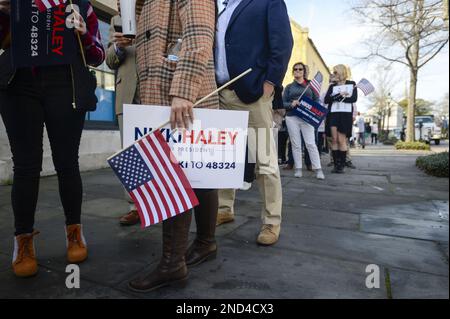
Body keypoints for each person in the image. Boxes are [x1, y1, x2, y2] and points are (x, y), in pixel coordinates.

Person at [0, 0, 105, 278]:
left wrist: (82, 33)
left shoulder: (80, 4)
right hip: (19, 83)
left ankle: (74, 232)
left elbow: (97, 55)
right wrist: (4, 14)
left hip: (65, 83)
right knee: (25, 166)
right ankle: (22, 241)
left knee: (67, 162)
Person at [128, 0, 219, 292]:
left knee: (175, 176)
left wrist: (183, 91)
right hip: (163, 94)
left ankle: (172, 264)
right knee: (194, 173)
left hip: (179, 97)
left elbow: (199, 32)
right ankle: (203, 244)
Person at [215, 0, 293, 247]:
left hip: (251, 93)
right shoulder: (222, 9)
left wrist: (269, 84)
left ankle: (272, 221)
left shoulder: (268, 2)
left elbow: (282, 44)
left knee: (264, 160)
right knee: (225, 156)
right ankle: (224, 208)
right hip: (219, 93)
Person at [106, 2, 142, 226]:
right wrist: (119, 47)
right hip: (126, 95)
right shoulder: (114, 21)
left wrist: (136, 40)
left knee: (159, 152)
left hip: (153, 91)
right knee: (130, 156)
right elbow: (110, 60)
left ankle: (161, 201)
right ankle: (134, 206)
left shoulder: (153, 15)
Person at [283, 62, 325, 180]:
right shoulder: (289, 87)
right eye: (295, 69)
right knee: (296, 144)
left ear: (304, 71)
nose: (297, 71)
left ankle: (318, 169)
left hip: (307, 117)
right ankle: (298, 169)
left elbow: (317, 101)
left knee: (310, 143)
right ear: (293, 71)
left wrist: (310, 106)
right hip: (292, 117)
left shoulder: (310, 86)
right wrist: (291, 104)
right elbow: (282, 102)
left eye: (300, 69)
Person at [324, 65, 358, 174]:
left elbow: (353, 98)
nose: (333, 74)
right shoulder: (332, 86)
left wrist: (338, 98)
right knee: (334, 139)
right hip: (333, 114)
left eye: (335, 72)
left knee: (341, 140)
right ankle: (336, 164)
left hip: (345, 115)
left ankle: (342, 165)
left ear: (341, 72)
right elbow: (326, 100)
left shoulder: (351, 84)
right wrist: (340, 95)